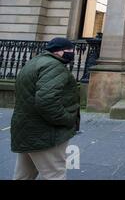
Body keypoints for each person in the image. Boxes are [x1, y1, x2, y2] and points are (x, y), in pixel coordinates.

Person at [11, 37, 80, 180]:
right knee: (55, 174)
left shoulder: (34, 62)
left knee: (24, 175)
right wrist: (67, 119)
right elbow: (47, 101)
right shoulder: (54, 66)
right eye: (70, 50)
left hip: (26, 129)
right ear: (59, 52)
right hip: (45, 133)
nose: (73, 53)